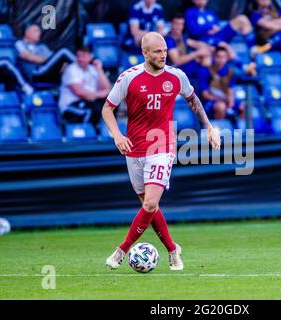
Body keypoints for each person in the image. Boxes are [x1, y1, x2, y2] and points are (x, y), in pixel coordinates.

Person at [102, 32, 221, 271]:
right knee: (150, 206)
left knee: (149, 204)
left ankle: (121, 251)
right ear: (145, 53)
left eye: (165, 50)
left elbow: (193, 100)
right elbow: (107, 108)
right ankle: (172, 249)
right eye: (157, 51)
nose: (163, 54)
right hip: (134, 148)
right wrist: (117, 135)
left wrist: (209, 126)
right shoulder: (130, 77)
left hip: (162, 145)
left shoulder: (177, 76)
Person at [58, 46, 111, 125]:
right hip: (70, 106)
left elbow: (107, 88)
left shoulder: (93, 69)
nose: (80, 59)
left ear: (90, 57)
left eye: (83, 56)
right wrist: (100, 94)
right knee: (93, 109)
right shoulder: (71, 69)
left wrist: (99, 70)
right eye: (78, 56)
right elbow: (80, 93)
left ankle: (109, 132)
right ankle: (91, 134)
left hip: (89, 102)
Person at [184, 0, 255, 49]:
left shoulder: (210, 12)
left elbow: (217, 24)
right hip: (206, 40)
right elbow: (192, 31)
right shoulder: (190, 12)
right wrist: (208, 29)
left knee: (242, 18)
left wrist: (217, 28)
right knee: (225, 47)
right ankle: (244, 67)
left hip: (220, 35)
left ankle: (253, 49)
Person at [165, 13, 213, 78]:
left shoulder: (181, 37)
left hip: (184, 68)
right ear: (171, 24)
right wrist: (197, 54)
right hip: (173, 71)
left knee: (205, 60)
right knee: (202, 69)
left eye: (181, 24)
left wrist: (208, 48)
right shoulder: (168, 40)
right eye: (177, 24)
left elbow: (196, 44)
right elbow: (177, 61)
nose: (179, 27)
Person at [199, 46, 239, 119]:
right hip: (210, 102)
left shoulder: (230, 72)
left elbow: (231, 90)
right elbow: (205, 94)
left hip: (225, 100)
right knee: (221, 106)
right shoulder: (205, 71)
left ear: (227, 58)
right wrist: (222, 99)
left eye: (223, 57)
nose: (221, 60)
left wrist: (231, 99)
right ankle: (220, 128)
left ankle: (242, 129)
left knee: (244, 107)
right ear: (214, 57)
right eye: (218, 57)